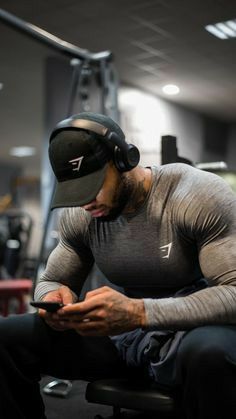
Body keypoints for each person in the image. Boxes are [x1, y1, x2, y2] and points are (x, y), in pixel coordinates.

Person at [0, 111, 236, 419]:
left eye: (94, 185)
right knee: (8, 337)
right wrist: (52, 297)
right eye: (77, 191)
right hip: (120, 336)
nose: (86, 202)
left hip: (189, 331)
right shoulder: (81, 213)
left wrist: (139, 313)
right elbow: (53, 280)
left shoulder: (194, 195)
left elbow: (232, 292)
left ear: (124, 159)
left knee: (213, 352)